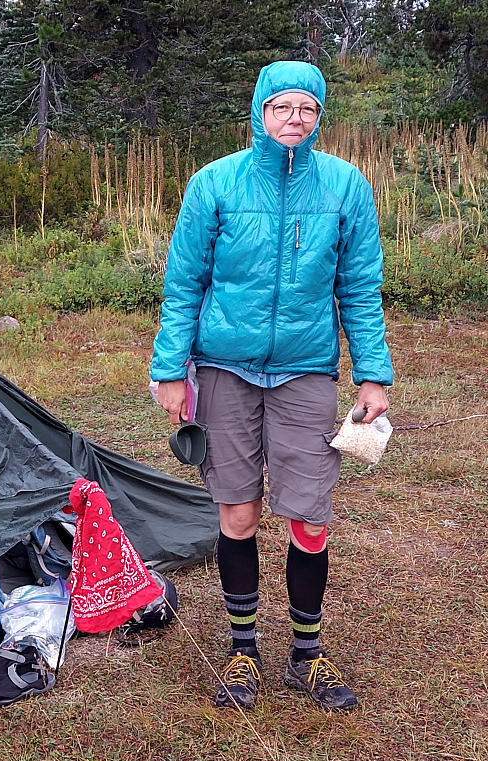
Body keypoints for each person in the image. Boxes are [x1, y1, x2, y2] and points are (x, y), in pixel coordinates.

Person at [150, 61, 393, 713]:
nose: (295, 119)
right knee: (237, 512)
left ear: (319, 118)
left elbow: (360, 291)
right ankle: (242, 649)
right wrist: (171, 369)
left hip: (307, 372)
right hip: (224, 371)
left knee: (309, 516)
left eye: (307, 109)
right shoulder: (214, 185)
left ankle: (306, 654)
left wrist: (373, 373)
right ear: (260, 112)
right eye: (283, 107)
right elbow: (184, 286)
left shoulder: (345, 187)